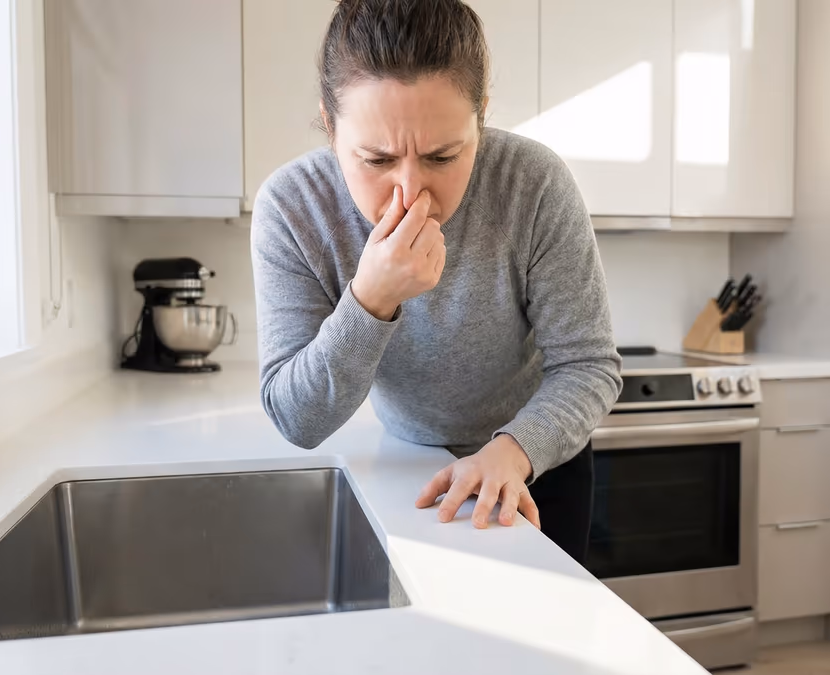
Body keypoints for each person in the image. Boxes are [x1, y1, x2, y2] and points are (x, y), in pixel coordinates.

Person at [250, 0, 621, 563]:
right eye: (376, 159)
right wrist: (371, 299)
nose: (410, 193)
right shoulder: (293, 207)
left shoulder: (534, 184)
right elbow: (297, 420)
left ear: (481, 117)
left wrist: (512, 451)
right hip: (406, 467)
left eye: (443, 156)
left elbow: (589, 366)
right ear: (329, 124)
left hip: (535, 462)